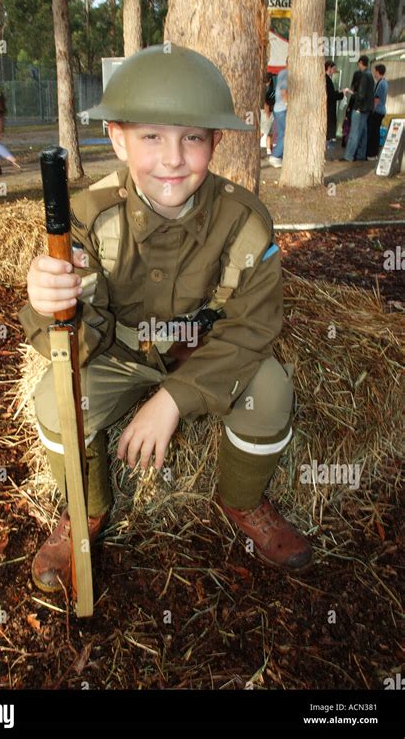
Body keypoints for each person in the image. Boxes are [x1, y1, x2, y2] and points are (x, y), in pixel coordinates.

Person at [18, 44, 312, 595]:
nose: (173, 158)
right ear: (117, 137)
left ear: (216, 142)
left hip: (204, 354)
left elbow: (252, 327)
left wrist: (174, 398)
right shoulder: (88, 217)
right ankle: (87, 511)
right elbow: (75, 343)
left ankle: (242, 500)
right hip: (120, 356)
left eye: (193, 137)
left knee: (271, 391)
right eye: (152, 136)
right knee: (56, 399)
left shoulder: (246, 222)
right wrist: (51, 305)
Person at [340, 55, 374, 162]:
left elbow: (361, 94)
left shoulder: (364, 76)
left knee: (354, 133)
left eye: (358, 63)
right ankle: (360, 155)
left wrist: (357, 106)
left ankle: (348, 156)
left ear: (360, 62)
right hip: (367, 108)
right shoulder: (370, 75)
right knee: (363, 132)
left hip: (360, 108)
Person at [367, 63, 388, 160]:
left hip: (377, 111)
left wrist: (372, 110)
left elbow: (377, 99)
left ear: (378, 72)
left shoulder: (381, 83)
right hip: (381, 111)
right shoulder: (384, 82)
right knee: (376, 133)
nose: (374, 73)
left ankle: (371, 154)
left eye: (375, 71)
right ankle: (374, 154)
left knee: (373, 133)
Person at [269, 59, 287, 168]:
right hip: (283, 109)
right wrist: (288, 103)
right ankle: (275, 155)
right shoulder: (288, 74)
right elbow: (284, 91)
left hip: (277, 108)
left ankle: (279, 156)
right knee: (286, 133)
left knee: (281, 133)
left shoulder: (281, 73)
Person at [325, 60, 345, 148]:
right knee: (329, 126)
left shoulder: (327, 78)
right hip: (328, 107)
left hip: (329, 106)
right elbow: (331, 95)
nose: (334, 71)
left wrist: (339, 92)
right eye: (333, 69)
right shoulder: (326, 79)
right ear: (329, 68)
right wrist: (341, 94)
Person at [263, 71, 276, 155]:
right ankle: (268, 149)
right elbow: (266, 103)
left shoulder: (270, 89)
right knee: (267, 132)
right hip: (268, 111)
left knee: (269, 132)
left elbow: (266, 103)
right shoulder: (269, 89)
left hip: (270, 111)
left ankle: (269, 148)